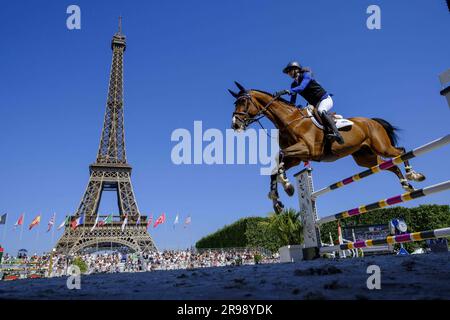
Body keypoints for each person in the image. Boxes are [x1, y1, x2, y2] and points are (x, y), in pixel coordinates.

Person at [275, 61, 344, 144]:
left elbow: (302, 87)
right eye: (288, 72)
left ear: (296, 69)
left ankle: (337, 134)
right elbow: (292, 102)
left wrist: (286, 91)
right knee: (306, 116)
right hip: (314, 104)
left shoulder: (306, 75)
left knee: (321, 110)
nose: (288, 74)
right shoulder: (293, 85)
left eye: (289, 71)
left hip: (324, 99)